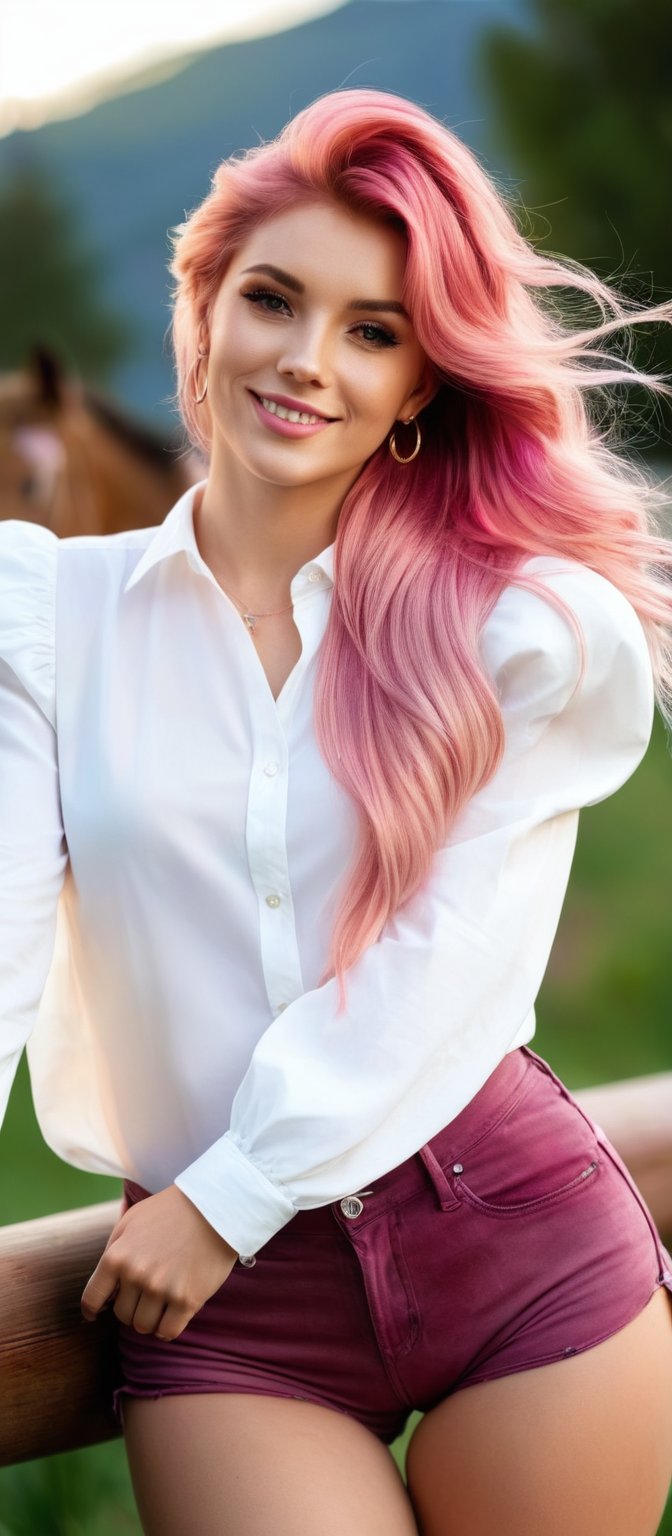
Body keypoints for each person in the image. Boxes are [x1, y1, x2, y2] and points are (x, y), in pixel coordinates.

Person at [1, 88, 672, 1536]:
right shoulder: (45, 618)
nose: (309, 362)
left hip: (512, 1236)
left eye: (374, 330)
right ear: (202, 310)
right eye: (273, 300)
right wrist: (220, 1214)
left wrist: (236, 1188)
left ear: (425, 381)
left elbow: (452, 958)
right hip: (231, 1315)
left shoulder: (519, 628)